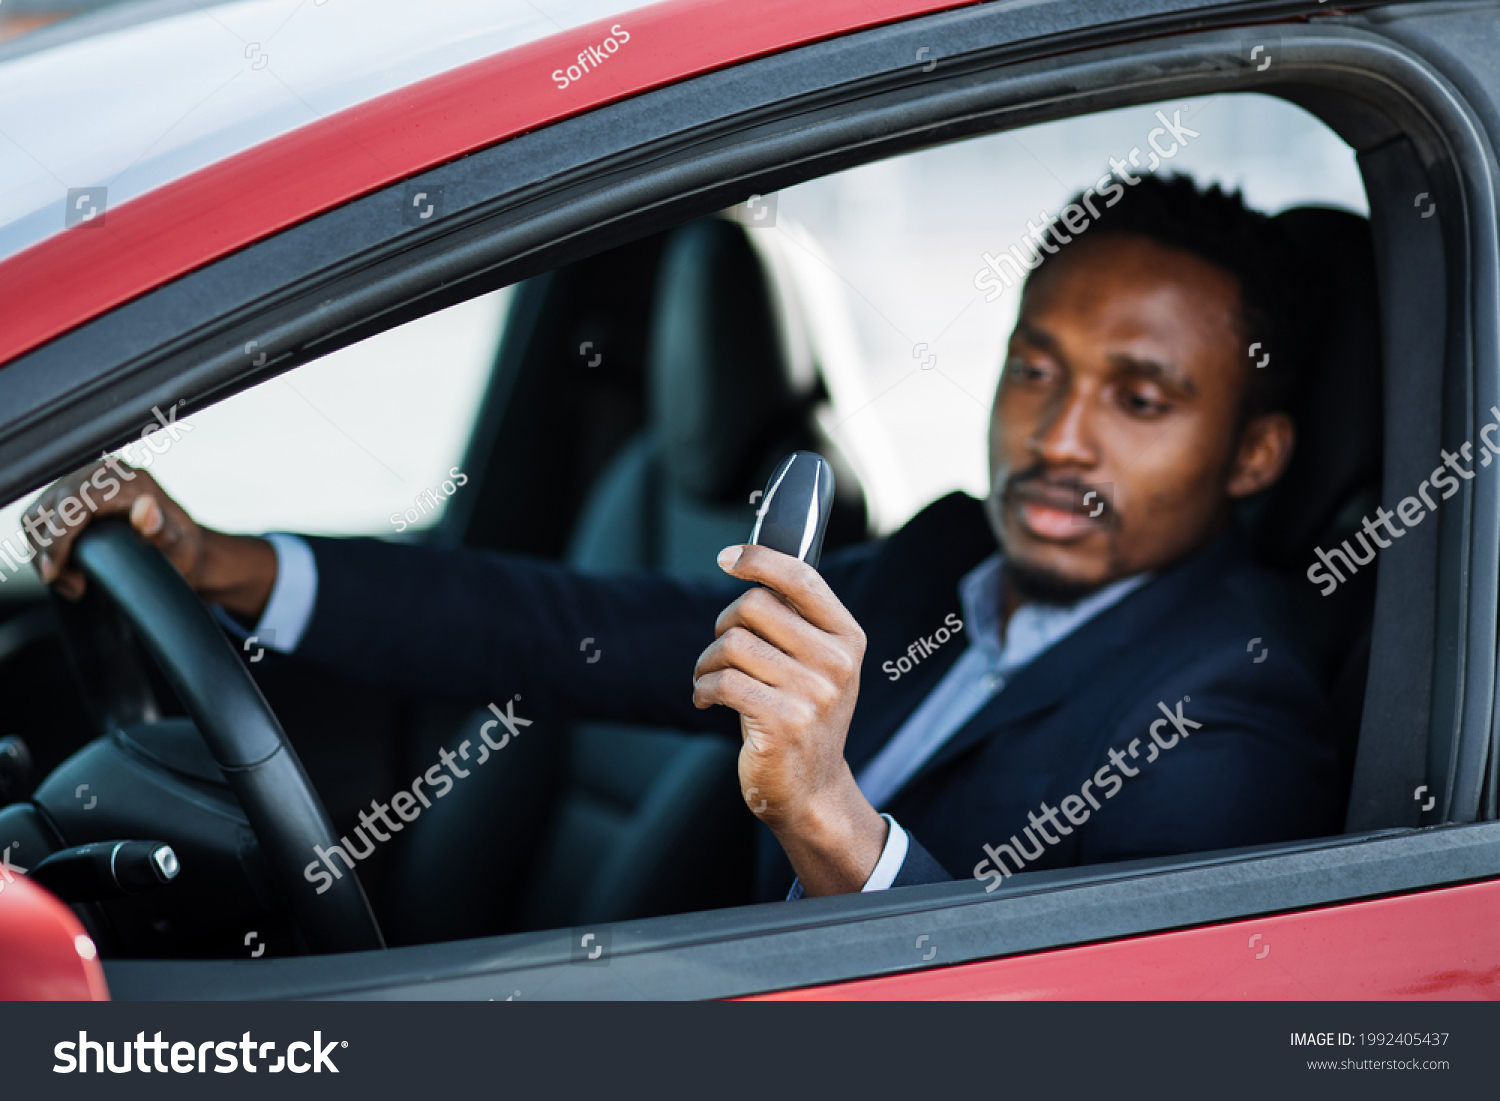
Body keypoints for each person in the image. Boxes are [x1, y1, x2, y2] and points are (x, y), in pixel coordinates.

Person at [27, 175, 1341, 903]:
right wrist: (224, 562)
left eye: (1141, 397)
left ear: (1256, 453)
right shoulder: (947, 566)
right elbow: (565, 631)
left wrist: (834, 820)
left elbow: (1085, 1033)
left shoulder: (1235, 708)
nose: (1060, 437)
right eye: (1036, 371)